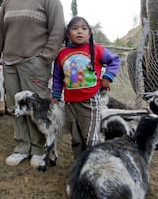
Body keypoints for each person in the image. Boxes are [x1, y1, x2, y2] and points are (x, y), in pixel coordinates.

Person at [0, 0, 65, 168]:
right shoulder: (9, 0)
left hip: (35, 62)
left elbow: (58, 28)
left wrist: (45, 57)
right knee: (17, 107)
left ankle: (40, 148)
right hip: (10, 63)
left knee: (38, 108)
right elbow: (0, 32)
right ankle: (22, 146)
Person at [51, 16, 121, 160]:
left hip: (90, 102)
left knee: (90, 138)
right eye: (75, 28)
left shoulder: (96, 50)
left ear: (89, 33)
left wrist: (107, 78)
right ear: (68, 34)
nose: (79, 32)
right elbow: (58, 77)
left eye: (84, 28)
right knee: (76, 138)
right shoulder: (62, 54)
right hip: (70, 103)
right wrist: (56, 94)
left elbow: (115, 60)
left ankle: (94, 163)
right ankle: (80, 163)